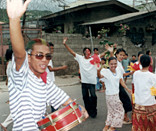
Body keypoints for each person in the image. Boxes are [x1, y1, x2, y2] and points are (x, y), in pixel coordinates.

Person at [6, 0, 88, 130]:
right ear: (29, 57)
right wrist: (14, 20)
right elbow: (19, 54)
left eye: (48, 56)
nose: (44, 60)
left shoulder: (43, 81)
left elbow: (61, 97)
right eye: (39, 55)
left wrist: (78, 107)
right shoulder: (22, 76)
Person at [63, 37, 97, 118]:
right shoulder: (80, 58)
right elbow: (72, 52)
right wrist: (65, 44)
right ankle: (88, 110)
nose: (87, 52)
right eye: (86, 51)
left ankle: (94, 110)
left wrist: (109, 50)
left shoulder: (93, 59)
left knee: (93, 96)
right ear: (83, 53)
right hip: (84, 82)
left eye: (89, 51)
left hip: (92, 82)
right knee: (85, 97)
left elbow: (102, 55)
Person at [98, 57, 131, 131]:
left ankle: (106, 127)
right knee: (120, 111)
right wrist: (98, 69)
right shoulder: (106, 71)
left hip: (115, 95)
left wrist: (127, 89)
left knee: (111, 112)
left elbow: (121, 80)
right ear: (108, 64)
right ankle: (112, 128)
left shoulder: (118, 70)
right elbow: (100, 76)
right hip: (111, 96)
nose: (113, 65)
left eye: (115, 63)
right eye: (111, 64)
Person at [132, 55, 156, 131]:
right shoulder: (153, 76)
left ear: (140, 62)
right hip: (150, 103)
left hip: (139, 103)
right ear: (150, 63)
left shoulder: (135, 74)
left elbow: (135, 86)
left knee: (139, 125)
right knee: (153, 125)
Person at [46, 42, 68, 113]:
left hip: (49, 80)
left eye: (53, 48)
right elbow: (50, 69)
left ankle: (54, 112)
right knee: (52, 97)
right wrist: (62, 67)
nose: (52, 50)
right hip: (47, 81)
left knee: (52, 98)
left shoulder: (48, 57)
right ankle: (54, 112)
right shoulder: (47, 57)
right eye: (51, 48)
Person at [0, 49, 13, 131]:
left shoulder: (9, 64)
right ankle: (5, 123)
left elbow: (8, 76)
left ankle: (5, 123)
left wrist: (7, 81)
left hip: (12, 88)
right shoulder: (14, 64)